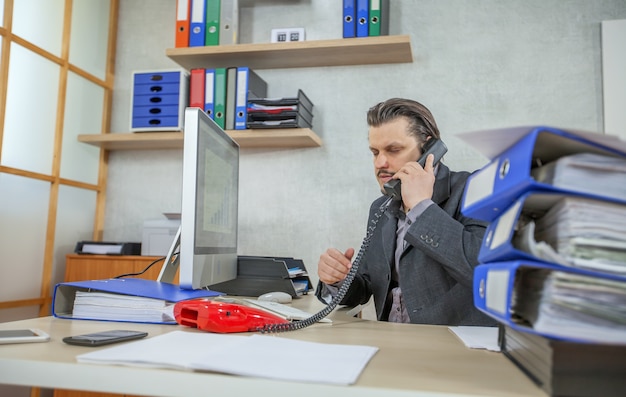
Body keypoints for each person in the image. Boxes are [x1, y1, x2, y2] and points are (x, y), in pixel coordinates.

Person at [316, 98, 495, 326]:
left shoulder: (474, 188)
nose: (380, 162)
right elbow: (368, 286)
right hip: (392, 341)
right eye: (374, 152)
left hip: (452, 348)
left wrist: (421, 207)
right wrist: (338, 279)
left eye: (393, 150)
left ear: (430, 149)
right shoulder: (380, 207)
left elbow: (484, 273)